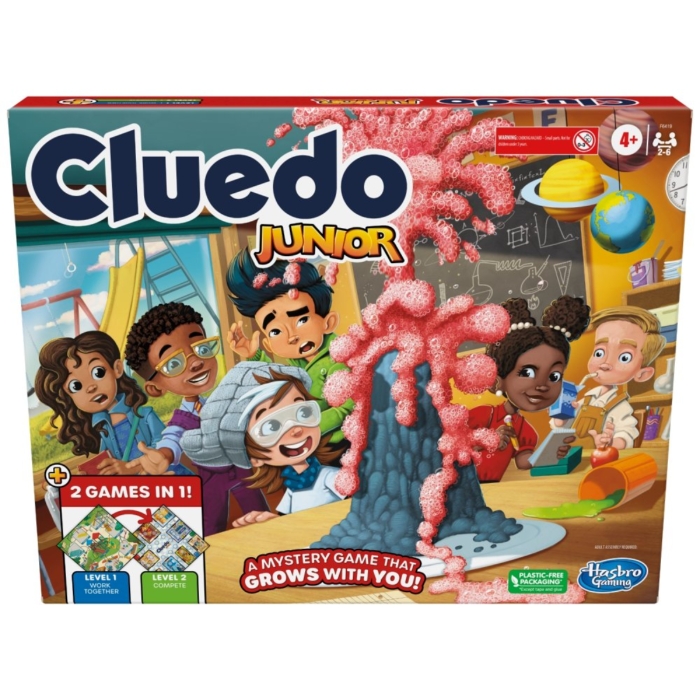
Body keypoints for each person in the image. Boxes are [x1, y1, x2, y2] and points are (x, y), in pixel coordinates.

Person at [180, 363, 346, 531]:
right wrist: (272, 522)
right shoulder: (293, 486)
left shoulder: (330, 477)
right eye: (271, 427)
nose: (296, 429)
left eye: (302, 412)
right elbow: (289, 525)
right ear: (255, 459)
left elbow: (356, 513)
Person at [225, 248, 353, 447]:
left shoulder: (339, 360)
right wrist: (253, 354)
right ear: (268, 344)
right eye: (276, 331)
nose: (292, 336)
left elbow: (345, 410)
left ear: (328, 322)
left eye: (301, 320)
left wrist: (305, 430)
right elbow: (277, 380)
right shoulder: (296, 364)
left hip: (340, 445)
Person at [467, 296, 591, 482]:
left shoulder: (526, 430)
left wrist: (548, 453)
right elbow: (448, 446)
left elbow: (523, 461)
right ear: (500, 378)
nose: (542, 386)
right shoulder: (482, 415)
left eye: (554, 376)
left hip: (492, 489)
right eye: (527, 372)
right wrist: (488, 439)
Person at [34, 330, 163, 474]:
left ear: (117, 369)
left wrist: (133, 468)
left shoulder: (145, 415)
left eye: (98, 372)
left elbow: (167, 450)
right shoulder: (103, 429)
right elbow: (106, 465)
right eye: (76, 386)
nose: (91, 387)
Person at [123, 302, 220, 476]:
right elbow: (173, 437)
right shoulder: (183, 419)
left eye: (202, 348)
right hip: (216, 482)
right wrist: (163, 455)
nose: (196, 362)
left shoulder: (221, 399)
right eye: (174, 364)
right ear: (155, 388)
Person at [559, 305, 666, 450]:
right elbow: (565, 428)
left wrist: (610, 443)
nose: (605, 364)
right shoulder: (586, 400)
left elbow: (626, 435)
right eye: (599, 353)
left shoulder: (620, 407)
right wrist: (561, 417)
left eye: (624, 357)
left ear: (642, 374)